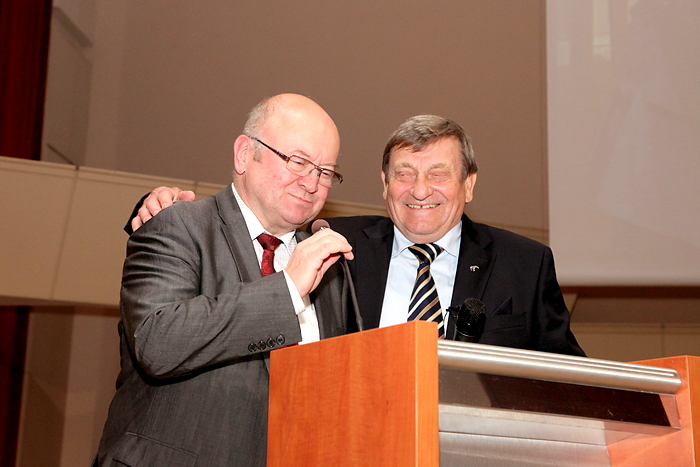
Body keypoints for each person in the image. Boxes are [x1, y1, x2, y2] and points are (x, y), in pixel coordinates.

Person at [131, 115, 583, 357]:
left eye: (438, 174)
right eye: (403, 174)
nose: (419, 190)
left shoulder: (525, 263)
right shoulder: (330, 242)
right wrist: (155, 206)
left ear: (469, 184)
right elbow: (252, 230)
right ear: (384, 185)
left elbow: (570, 381)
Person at [94, 94, 353, 467]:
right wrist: (287, 289)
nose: (311, 183)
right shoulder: (177, 224)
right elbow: (157, 343)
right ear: (245, 154)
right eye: (298, 162)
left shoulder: (331, 268)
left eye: (325, 172)